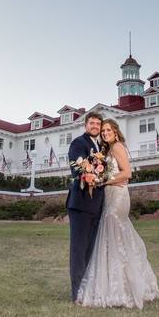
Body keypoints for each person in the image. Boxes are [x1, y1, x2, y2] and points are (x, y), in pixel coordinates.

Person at [74, 118, 159, 309]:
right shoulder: (105, 150)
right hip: (109, 195)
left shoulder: (117, 147)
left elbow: (127, 174)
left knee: (116, 234)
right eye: (103, 130)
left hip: (118, 196)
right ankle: (116, 285)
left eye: (108, 130)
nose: (105, 133)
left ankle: (127, 287)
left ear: (115, 131)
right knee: (111, 238)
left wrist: (102, 181)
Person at [66, 111, 106, 301]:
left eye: (98, 124)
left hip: (97, 206)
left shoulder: (100, 146)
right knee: (79, 250)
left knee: (90, 249)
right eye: (92, 123)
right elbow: (78, 168)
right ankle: (76, 294)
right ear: (85, 125)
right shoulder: (79, 143)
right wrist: (91, 169)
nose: (95, 126)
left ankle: (86, 288)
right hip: (81, 205)